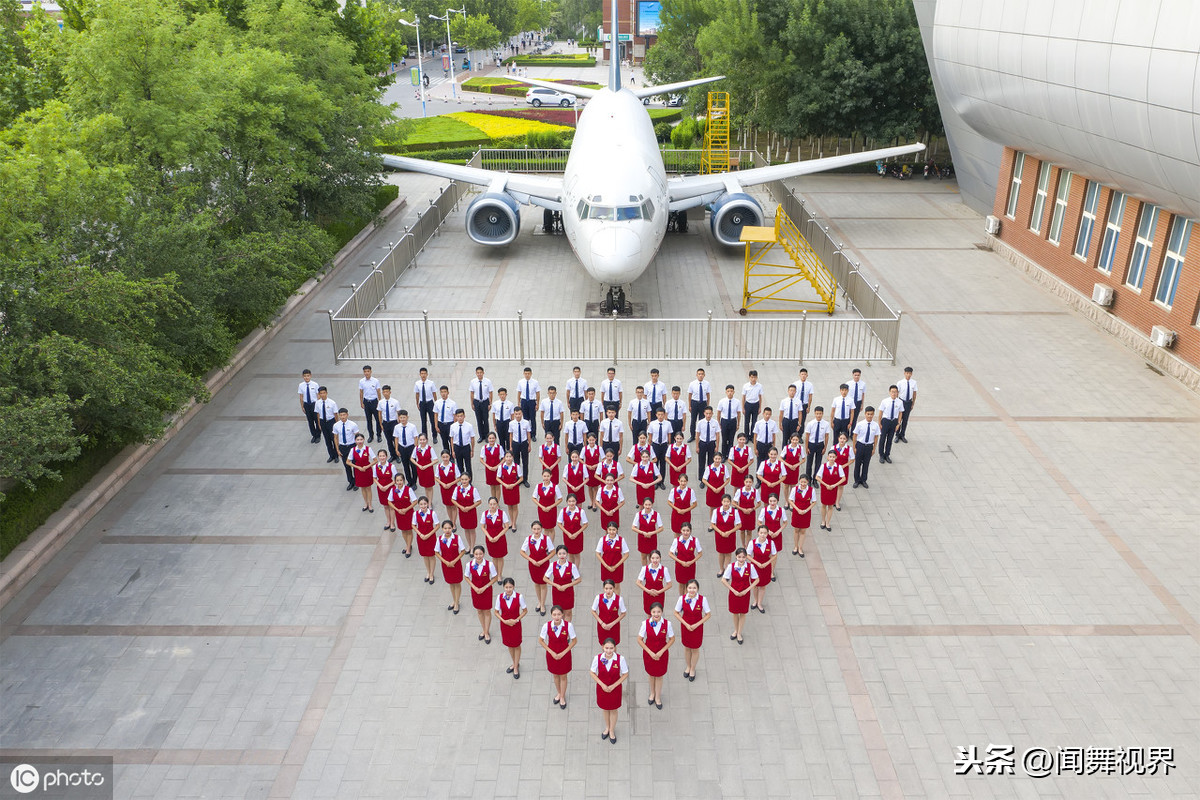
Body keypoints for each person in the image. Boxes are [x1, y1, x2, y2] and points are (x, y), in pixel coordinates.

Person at [590, 638, 629, 743]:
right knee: (605, 708)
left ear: (615, 648)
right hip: (602, 688)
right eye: (606, 648)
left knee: (614, 709)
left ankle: (612, 730)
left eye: (611, 648)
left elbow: (625, 674)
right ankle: (607, 727)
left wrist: (614, 685)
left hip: (615, 689)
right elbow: (592, 672)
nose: (608, 651)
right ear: (603, 647)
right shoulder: (597, 658)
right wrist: (602, 684)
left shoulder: (620, 659)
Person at [637, 603, 674, 709]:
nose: (656, 614)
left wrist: (662, 651)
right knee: (651, 674)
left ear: (662, 612)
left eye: (658, 612)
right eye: (654, 612)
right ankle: (652, 693)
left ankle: (658, 697)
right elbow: (639, 639)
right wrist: (650, 652)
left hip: (662, 654)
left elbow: (672, 639)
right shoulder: (645, 623)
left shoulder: (667, 624)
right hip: (649, 654)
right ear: (650, 612)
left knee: (659, 675)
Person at [539, 606, 577, 709]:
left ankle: (563, 696)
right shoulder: (546, 626)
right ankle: (559, 692)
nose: (557, 617)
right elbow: (541, 640)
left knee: (563, 676)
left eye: (559, 614)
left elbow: (574, 641)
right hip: (552, 655)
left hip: (564, 655)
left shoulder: (568, 626)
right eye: (554, 615)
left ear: (562, 615)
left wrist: (563, 653)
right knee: (555, 675)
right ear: (551, 615)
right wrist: (551, 652)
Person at [673, 580, 711, 681]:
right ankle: (688, 666)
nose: (692, 590)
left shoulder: (703, 599)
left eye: (694, 588)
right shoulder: (682, 599)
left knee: (695, 649)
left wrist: (697, 624)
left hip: (697, 628)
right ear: (686, 589)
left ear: (697, 589)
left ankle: (693, 669)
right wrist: (685, 624)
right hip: (686, 627)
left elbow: (708, 614)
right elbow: (676, 612)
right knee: (687, 647)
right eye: (690, 588)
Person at [721, 547, 758, 644]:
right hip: (734, 593)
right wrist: (733, 590)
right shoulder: (731, 566)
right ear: (736, 557)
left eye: (743, 557)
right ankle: (735, 630)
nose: (741, 559)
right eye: (739, 557)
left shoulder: (750, 567)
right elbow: (724, 580)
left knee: (743, 613)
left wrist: (747, 590)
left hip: (745, 593)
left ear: (746, 557)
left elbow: (756, 580)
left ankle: (739, 632)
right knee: (735, 612)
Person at [494, 578, 527, 678]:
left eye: (510, 587)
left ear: (514, 587)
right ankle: (514, 662)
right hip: (505, 625)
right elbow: (496, 612)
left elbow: (525, 611)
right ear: (503, 587)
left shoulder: (519, 597)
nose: (508, 589)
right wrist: (504, 621)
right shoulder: (499, 597)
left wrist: (516, 620)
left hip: (515, 624)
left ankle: (516, 666)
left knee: (516, 645)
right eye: (506, 587)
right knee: (509, 644)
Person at [466, 546, 499, 643]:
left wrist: (485, 587)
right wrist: (474, 587)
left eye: (480, 554)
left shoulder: (489, 564)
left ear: (484, 554)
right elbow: (466, 577)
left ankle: (487, 632)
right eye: (476, 554)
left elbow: (495, 577)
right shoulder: (469, 564)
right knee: (479, 611)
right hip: (475, 591)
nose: (478, 556)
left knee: (487, 611)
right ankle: (483, 629)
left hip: (487, 591)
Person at [520, 522, 553, 616]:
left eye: (538, 529)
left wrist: (543, 560)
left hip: (544, 564)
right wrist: (531, 560)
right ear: (531, 529)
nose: (536, 531)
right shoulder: (529, 539)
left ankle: (542, 604)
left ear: (541, 529)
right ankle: (539, 601)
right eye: (534, 529)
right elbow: (522, 551)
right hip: (533, 564)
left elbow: (552, 552)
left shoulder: (546, 539)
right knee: (536, 583)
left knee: (543, 584)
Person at [435, 521, 467, 613]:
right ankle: (454, 600)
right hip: (446, 565)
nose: (447, 530)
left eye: (449, 528)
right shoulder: (440, 539)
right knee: (451, 583)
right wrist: (445, 562)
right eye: (445, 528)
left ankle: (457, 602)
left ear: (453, 528)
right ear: (442, 529)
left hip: (456, 564)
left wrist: (454, 561)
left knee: (457, 583)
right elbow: (436, 552)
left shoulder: (457, 538)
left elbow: (463, 551)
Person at [545, 545, 582, 621]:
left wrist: (567, 585)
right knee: (558, 611)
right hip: (556, 591)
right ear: (557, 554)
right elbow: (545, 578)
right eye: (560, 554)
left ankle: (567, 628)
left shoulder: (572, 566)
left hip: (568, 592)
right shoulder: (553, 565)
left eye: (564, 553)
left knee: (568, 612)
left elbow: (578, 579)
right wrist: (556, 585)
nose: (562, 556)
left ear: (567, 554)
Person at [747, 526, 778, 612]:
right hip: (755, 567)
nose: (763, 535)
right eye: (761, 533)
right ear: (758, 533)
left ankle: (759, 603)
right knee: (755, 585)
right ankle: (755, 601)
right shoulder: (752, 542)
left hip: (765, 567)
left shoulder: (770, 543)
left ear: (767, 534)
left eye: (765, 533)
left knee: (763, 586)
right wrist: (756, 563)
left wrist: (767, 563)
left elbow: (774, 555)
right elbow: (748, 555)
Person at [667, 522, 702, 595]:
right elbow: (670, 553)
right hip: (680, 565)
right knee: (681, 583)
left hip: (690, 566)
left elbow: (700, 553)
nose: (685, 532)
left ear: (690, 531)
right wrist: (680, 562)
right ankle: (681, 598)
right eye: (684, 530)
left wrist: (692, 562)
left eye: (687, 530)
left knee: (689, 583)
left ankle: (687, 598)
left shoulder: (695, 540)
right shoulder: (676, 540)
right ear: (681, 531)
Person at [596, 523, 631, 592]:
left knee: (617, 585)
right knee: (607, 585)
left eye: (614, 530)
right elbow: (598, 553)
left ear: (617, 530)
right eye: (610, 529)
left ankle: (617, 601)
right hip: (605, 566)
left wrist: (616, 566)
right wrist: (606, 566)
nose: (611, 532)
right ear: (607, 530)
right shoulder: (602, 539)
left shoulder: (621, 540)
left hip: (617, 566)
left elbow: (626, 554)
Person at [591, 579, 627, 645]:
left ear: (614, 588)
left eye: (610, 588)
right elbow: (593, 611)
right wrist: (601, 623)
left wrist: (612, 624)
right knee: (603, 644)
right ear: (603, 588)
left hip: (614, 626)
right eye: (606, 588)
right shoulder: (598, 598)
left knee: (614, 645)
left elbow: (623, 613)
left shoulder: (619, 599)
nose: (608, 591)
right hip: (602, 626)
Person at [817, 451, 847, 531]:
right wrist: (825, 484)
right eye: (830, 456)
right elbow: (817, 477)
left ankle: (828, 522)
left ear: (836, 458)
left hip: (833, 489)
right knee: (823, 505)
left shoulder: (838, 467)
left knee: (830, 506)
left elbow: (843, 478)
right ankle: (823, 521)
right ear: (827, 457)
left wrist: (835, 485)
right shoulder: (823, 466)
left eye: (833, 457)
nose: (832, 458)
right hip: (825, 488)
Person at [481, 496, 511, 577]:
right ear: (488, 504)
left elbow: (506, 526)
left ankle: (500, 575)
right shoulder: (485, 514)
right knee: (494, 557)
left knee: (500, 557)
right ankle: (495, 573)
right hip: (490, 538)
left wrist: (498, 536)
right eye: (491, 504)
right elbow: (483, 527)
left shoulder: (502, 513)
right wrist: (489, 537)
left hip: (500, 538)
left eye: (494, 504)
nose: (492, 506)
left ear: (497, 504)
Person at [852, 406, 880, 489]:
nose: (869, 416)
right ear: (865, 414)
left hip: (869, 446)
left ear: (873, 414)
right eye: (868, 414)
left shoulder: (875, 425)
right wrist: (854, 447)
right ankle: (856, 480)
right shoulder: (860, 424)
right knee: (857, 464)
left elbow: (876, 437)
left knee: (866, 464)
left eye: (871, 414)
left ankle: (863, 480)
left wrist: (874, 448)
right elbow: (855, 436)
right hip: (860, 445)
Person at [710, 494, 738, 576]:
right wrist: (720, 532)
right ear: (722, 502)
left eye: (728, 501)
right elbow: (713, 524)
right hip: (720, 535)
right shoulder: (716, 511)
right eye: (724, 501)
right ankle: (721, 569)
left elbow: (739, 525)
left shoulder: (734, 512)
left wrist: (730, 532)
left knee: (728, 553)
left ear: (730, 502)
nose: (726, 503)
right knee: (721, 552)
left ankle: (727, 570)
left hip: (730, 535)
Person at [388, 475, 416, 557]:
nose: (399, 482)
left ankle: (408, 548)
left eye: (401, 480)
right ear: (395, 481)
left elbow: (415, 501)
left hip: (408, 513)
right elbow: (389, 501)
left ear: (403, 481)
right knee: (403, 530)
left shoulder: (408, 489)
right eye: (397, 480)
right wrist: (397, 509)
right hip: (399, 513)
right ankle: (408, 544)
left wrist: (406, 509)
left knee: (409, 530)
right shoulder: (393, 490)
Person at [331, 409, 360, 490]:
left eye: (344, 415)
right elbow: (335, 438)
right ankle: (351, 482)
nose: (342, 417)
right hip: (343, 447)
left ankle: (357, 482)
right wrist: (337, 449)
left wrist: (358, 449)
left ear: (347, 415)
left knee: (354, 465)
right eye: (341, 415)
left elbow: (358, 437)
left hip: (352, 446)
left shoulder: (353, 425)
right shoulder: (336, 425)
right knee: (346, 466)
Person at [557, 493, 588, 566]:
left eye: (573, 501)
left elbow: (585, 524)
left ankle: (576, 570)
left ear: (576, 502)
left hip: (578, 535)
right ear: (567, 502)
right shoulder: (563, 511)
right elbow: (559, 523)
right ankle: (571, 569)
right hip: (567, 535)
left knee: (577, 554)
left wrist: (576, 533)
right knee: (570, 553)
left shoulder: (581, 511)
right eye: (569, 501)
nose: (571, 503)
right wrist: (568, 533)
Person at [452, 473, 481, 549]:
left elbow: (479, 501)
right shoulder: (457, 489)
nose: (464, 481)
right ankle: (469, 545)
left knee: (472, 530)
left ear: (469, 479)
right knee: (466, 529)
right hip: (462, 512)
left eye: (465, 479)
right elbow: (453, 499)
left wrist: (469, 507)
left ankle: (473, 547)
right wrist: (460, 507)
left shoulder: (473, 490)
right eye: (462, 479)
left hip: (471, 512)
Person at [347, 433, 375, 510]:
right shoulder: (353, 450)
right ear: (355, 441)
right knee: (362, 488)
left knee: (368, 488)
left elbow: (375, 460)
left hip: (367, 470)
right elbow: (348, 462)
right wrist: (357, 467)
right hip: (358, 471)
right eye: (358, 440)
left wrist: (367, 466)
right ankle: (365, 503)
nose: (359, 441)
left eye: (361, 439)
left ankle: (370, 504)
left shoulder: (368, 449)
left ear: (364, 440)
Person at [789, 475, 815, 558]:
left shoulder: (811, 490)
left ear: (808, 482)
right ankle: (795, 546)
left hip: (806, 513)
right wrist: (797, 509)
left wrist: (806, 510)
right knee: (796, 530)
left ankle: (800, 548)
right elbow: (791, 500)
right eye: (802, 481)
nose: (803, 483)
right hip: (797, 512)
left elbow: (814, 502)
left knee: (803, 531)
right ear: (799, 481)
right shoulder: (795, 489)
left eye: (805, 482)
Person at [413, 495, 438, 580]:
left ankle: (432, 573)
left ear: (427, 504)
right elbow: (413, 525)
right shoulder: (415, 514)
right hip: (421, 537)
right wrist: (420, 534)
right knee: (425, 555)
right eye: (421, 504)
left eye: (425, 504)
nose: (423, 506)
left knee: (431, 555)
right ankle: (428, 571)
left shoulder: (432, 513)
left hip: (430, 537)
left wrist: (429, 534)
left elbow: (437, 525)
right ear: (418, 505)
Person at [877, 386, 904, 463]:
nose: (894, 393)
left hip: (894, 422)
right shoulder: (885, 401)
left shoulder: (900, 402)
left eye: (895, 392)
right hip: (885, 421)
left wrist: (898, 424)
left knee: (890, 439)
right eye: (892, 392)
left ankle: (887, 455)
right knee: (882, 438)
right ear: (889, 392)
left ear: (897, 393)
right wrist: (879, 423)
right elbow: (880, 412)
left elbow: (900, 413)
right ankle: (881, 455)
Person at [392, 405, 420, 479]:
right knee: (405, 465)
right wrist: (396, 449)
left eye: (404, 417)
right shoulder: (397, 427)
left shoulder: (412, 426)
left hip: (411, 447)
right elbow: (396, 438)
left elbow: (416, 438)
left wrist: (415, 448)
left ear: (407, 417)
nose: (402, 419)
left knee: (413, 465)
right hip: (402, 447)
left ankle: (414, 481)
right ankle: (409, 481)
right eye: (401, 417)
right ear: (398, 418)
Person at [647, 409, 673, 487]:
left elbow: (669, 434)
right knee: (655, 464)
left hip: (664, 445)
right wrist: (650, 445)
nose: (660, 416)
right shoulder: (652, 424)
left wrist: (669, 444)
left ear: (664, 415)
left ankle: (661, 482)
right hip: (655, 445)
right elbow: (650, 435)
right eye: (659, 414)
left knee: (663, 464)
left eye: (662, 414)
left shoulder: (668, 423)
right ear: (656, 415)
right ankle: (655, 481)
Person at [448, 409, 476, 481]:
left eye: (461, 416)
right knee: (460, 465)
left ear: (464, 416)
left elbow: (472, 438)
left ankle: (469, 481)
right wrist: (453, 451)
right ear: (456, 417)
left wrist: (472, 450)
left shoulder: (469, 426)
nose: (460, 418)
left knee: (468, 466)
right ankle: (462, 480)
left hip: (466, 447)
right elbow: (452, 439)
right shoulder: (453, 426)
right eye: (458, 416)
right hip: (457, 447)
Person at [804, 406, 830, 480]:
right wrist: (806, 447)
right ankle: (808, 479)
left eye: (820, 413)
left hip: (820, 444)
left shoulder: (826, 424)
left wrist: (825, 447)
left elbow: (827, 436)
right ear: (815, 414)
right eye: (817, 413)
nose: (818, 415)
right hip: (811, 444)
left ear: (823, 414)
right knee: (809, 463)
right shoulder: (810, 423)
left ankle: (815, 479)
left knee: (818, 463)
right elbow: (807, 436)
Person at [314, 387, 339, 462]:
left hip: (331, 422)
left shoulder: (332, 403)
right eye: (321, 393)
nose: (322, 395)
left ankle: (336, 455)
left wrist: (337, 424)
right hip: (323, 422)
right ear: (319, 394)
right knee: (327, 440)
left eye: (324, 393)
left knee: (334, 439)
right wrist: (319, 424)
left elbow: (335, 414)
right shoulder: (317, 403)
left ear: (326, 393)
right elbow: (318, 414)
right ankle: (331, 455)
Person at [468, 366, 494, 440]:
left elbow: (490, 393)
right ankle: (481, 436)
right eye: (478, 373)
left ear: (483, 373)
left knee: (485, 419)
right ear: (476, 373)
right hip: (477, 402)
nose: (479, 374)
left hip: (485, 402)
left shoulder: (488, 381)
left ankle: (487, 436)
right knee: (479, 420)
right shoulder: (473, 382)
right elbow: (472, 393)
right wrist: (472, 403)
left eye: (480, 373)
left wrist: (490, 403)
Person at [358, 365, 382, 444]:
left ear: (371, 372)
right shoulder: (361, 381)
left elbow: (378, 391)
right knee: (369, 420)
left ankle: (379, 435)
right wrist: (361, 402)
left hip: (374, 402)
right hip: (366, 402)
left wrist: (380, 402)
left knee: (378, 420)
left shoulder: (375, 381)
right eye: (365, 372)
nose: (366, 373)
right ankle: (371, 436)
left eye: (368, 371)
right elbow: (361, 392)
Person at [377, 386, 401, 462]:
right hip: (385, 423)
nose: (386, 393)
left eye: (387, 392)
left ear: (390, 392)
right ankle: (392, 455)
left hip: (393, 423)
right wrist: (381, 424)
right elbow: (380, 413)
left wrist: (399, 424)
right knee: (389, 441)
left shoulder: (395, 402)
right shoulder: (380, 402)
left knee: (395, 440)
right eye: (384, 392)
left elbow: (398, 413)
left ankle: (398, 455)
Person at [373, 449, 395, 530]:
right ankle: (388, 521)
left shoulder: (391, 466)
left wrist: (387, 486)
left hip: (390, 489)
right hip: (381, 489)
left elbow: (396, 479)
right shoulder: (376, 466)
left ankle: (392, 523)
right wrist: (379, 486)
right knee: (385, 506)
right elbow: (374, 478)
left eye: (383, 456)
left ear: (386, 456)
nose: (382, 458)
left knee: (391, 507)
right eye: (380, 456)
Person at [435, 451, 460, 524]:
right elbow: (436, 477)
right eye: (443, 457)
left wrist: (450, 484)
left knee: (453, 506)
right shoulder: (439, 466)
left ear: (449, 457)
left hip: (453, 488)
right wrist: (442, 484)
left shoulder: (453, 466)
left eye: (447, 457)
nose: (445, 459)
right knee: (448, 506)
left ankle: (454, 523)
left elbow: (458, 478)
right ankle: (451, 520)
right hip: (444, 489)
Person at [717, 385, 742, 457]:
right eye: (728, 391)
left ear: (734, 392)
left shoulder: (737, 402)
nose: (730, 393)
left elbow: (738, 413)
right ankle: (723, 455)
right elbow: (719, 412)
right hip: (724, 421)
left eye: (731, 391)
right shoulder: (722, 401)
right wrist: (719, 423)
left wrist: (738, 423)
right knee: (724, 439)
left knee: (731, 439)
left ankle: (730, 455)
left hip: (732, 421)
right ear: (726, 392)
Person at [413, 367, 437, 443]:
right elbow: (417, 394)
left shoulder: (431, 383)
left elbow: (434, 393)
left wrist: (436, 404)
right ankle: (424, 437)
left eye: (424, 373)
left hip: (430, 403)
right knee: (423, 421)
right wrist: (417, 403)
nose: (423, 375)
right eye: (422, 373)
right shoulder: (417, 383)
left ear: (427, 374)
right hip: (422, 403)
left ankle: (434, 436)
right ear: (420, 374)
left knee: (432, 420)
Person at [734, 476, 758, 550]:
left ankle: (747, 545)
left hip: (751, 513)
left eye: (750, 482)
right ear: (744, 482)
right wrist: (742, 509)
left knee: (749, 531)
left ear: (752, 482)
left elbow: (759, 503)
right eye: (746, 482)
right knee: (742, 530)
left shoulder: (755, 491)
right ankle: (743, 544)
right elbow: (734, 502)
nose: (748, 484)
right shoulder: (739, 491)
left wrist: (753, 509)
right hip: (742, 513)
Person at [687, 368, 711, 442]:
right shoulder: (692, 384)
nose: (700, 375)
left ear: (704, 375)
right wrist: (690, 405)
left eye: (702, 374)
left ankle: (701, 436)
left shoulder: (707, 384)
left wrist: (707, 405)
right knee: (693, 420)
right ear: (696, 375)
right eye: (699, 374)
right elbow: (690, 395)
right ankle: (692, 436)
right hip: (694, 402)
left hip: (703, 403)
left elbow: (708, 395)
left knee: (702, 420)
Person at [498, 450, 523, 522]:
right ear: (504, 458)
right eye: (507, 457)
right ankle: (511, 521)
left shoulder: (516, 467)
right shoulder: (501, 467)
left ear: (512, 457)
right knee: (509, 506)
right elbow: (497, 478)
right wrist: (504, 484)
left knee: (514, 506)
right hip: (505, 488)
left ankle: (514, 523)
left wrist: (514, 484)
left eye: (510, 457)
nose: (508, 458)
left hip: (514, 488)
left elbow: (521, 478)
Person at [516, 367, 541, 439]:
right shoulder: (520, 382)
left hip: (532, 401)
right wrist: (519, 402)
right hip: (524, 401)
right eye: (526, 374)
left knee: (533, 418)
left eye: (528, 374)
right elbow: (519, 392)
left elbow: (537, 393)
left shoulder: (535, 382)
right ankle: (526, 433)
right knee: (525, 418)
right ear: (523, 374)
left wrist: (537, 403)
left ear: (531, 374)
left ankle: (533, 434)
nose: (527, 375)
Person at [298, 369, 321, 443]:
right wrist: (302, 406)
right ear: (303, 376)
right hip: (307, 404)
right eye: (305, 376)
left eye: (308, 376)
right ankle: (313, 435)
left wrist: (318, 406)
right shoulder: (301, 385)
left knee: (317, 420)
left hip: (314, 404)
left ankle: (318, 435)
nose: (306, 377)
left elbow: (318, 396)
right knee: (310, 421)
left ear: (310, 376)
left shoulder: (315, 384)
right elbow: (301, 396)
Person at [479, 432, 504, 500]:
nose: (491, 440)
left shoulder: (499, 447)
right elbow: (481, 459)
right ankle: (493, 500)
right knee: (492, 486)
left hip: (497, 469)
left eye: (493, 438)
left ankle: (497, 502)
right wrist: (488, 466)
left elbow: (503, 458)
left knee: (497, 486)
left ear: (495, 439)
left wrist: (497, 466)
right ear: (488, 439)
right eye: (490, 438)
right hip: (489, 469)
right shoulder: (484, 448)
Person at [742, 370, 765, 439]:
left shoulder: (759, 386)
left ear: (757, 377)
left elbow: (760, 397)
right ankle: (746, 436)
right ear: (749, 377)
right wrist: (743, 408)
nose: (753, 379)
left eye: (754, 377)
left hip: (756, 404)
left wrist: (760, 407)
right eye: (752, 377)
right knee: (747, 421)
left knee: (754, 421)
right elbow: (743, 397)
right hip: (748, 404)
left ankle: (752, 436)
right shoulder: (746, 386)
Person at [832, 433, 853, 509]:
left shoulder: (849, 449)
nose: (842, 440)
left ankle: (837, 502)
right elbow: (830, 458)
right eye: (841, 438)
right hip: (834, 469)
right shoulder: (833, 447)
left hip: (844, 470)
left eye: (844, 439)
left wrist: (844, 465)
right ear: (838, 438)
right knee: (834, 485)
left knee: (841, 486)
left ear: (846, 440)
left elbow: (852, 459)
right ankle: (832, 500)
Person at [896, 366, 918, 442]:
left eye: (910, 373)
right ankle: (897, 435)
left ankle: (902, 435)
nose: (908, 375)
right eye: (907, 373)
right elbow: (897, 393)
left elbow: (914, 394)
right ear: (904, 373)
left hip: (908, 402)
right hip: (901, 402)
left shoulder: (914, 383)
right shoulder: (900, 383)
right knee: (899, 419)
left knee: (905, 420)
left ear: (911, 374)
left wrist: (913, 403)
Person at [433, 386, 458, 450]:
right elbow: (436, 414)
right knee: (444, 441)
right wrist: (436, 426)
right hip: (441, 424)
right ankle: (447, 455)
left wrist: (454, 426)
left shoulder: (453, 403)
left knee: (451, 441)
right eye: (441, 392)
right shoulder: (437, 403)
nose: (443, 394)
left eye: (445, 392)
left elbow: (455, 416)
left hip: (450, 424)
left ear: (448, 392)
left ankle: (452, 455)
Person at [582, 434, 603, 510]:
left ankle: (595, 502)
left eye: (593, 440)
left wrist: (596, 465)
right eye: (590, 440)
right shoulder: (584, 449)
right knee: (589, 486)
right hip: (588, 469)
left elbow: (603, 459)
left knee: (596, 487)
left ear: (595, 440)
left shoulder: (599, 448)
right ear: (587, 440)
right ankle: (591, 501)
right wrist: (587, 465)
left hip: (596, 470)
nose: (591, 442)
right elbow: (580, 459)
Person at [793, 368, 815, 432]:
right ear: (799, 375)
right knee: (795, 419)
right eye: (802, 374)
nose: (803, 376)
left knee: (802, 421)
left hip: (804, 405)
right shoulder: (795, 384)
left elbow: (810, 397)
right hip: (796, 404)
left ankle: (800, 435)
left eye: (805, 374)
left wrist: (808, 406)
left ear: (807, 375)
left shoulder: (810, 385)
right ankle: (793, 434)